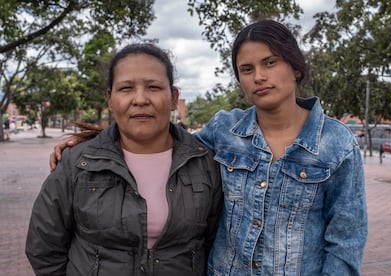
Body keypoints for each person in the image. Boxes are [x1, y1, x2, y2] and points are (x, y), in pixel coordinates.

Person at [49, 20, 368, 275]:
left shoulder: (337, 144)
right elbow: (164, 144)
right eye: (246, 69)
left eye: (270, 62)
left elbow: (345, 242)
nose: (259, 77)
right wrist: (96, 142)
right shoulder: (224, 130)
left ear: (295, 67)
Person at [26, 43, 223, 276]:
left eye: (153, 87)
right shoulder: (77, 163)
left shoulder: (204, 163)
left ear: (173, 97)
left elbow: (214, 243)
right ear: (110, 99)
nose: (140, 99)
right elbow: (44, 247)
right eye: (126, 88)